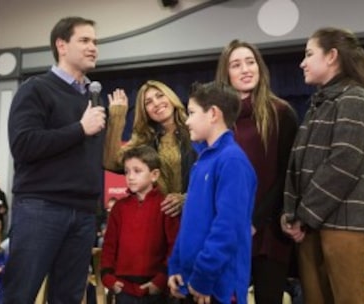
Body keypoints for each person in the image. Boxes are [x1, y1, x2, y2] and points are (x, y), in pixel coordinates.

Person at [281, 27, 364, 304]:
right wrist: (291, 214)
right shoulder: (321, 103)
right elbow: (300, 165)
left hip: (347, 227)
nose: (302, 62)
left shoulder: (354, 99)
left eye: (309, 54)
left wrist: (303, 215)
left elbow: (344, 163)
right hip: (315, 226)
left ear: (331, 56)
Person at [4, 16, 105, 303]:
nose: (93, 48)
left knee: (69, 298)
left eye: (95, 42)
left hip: (84, 214)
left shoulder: (94, 98)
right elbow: (23, 144)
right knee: (20, 295)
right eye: (84, 40)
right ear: (61, 45)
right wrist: (79, 129)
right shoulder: (35, 89)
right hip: (41, 208)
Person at [215, 39, 298, 303]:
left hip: (268, 231)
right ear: (226, 73)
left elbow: (288, 174)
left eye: (250, 62)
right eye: (236, 64)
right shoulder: (215, 119)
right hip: (227, 229)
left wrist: (254, 221)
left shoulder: (282, 113)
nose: (245, 69)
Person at [168, 81, 257, 304]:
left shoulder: (232, 161)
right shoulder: (202, 162)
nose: (186, 121)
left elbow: (227, 229)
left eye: (191, 113)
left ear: (213, 113)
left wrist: (204, 278)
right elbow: (189, 223)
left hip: (217, 288)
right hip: (192, 283)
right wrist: (176, 266)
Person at [103, 80, 197, 217]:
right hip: (157, 219)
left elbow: (212, 176)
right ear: (145, 111)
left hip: (193, 215)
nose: (156, 103)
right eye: (148, 102)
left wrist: (187, 199)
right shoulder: (145, 141)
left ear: (171, 97)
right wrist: (117, 117)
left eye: (160, 96)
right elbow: (111, 163)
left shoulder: (195, 130)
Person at [101, 145, 180, 303]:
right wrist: (108, 277)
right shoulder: (119, 208)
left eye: (137, 171)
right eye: (127, 171)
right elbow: (109, 245)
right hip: (124, 288)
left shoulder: (166, 205)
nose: (130, 176)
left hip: (156, 289)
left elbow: (174, 247)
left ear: (154, 175)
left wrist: (160, 280)